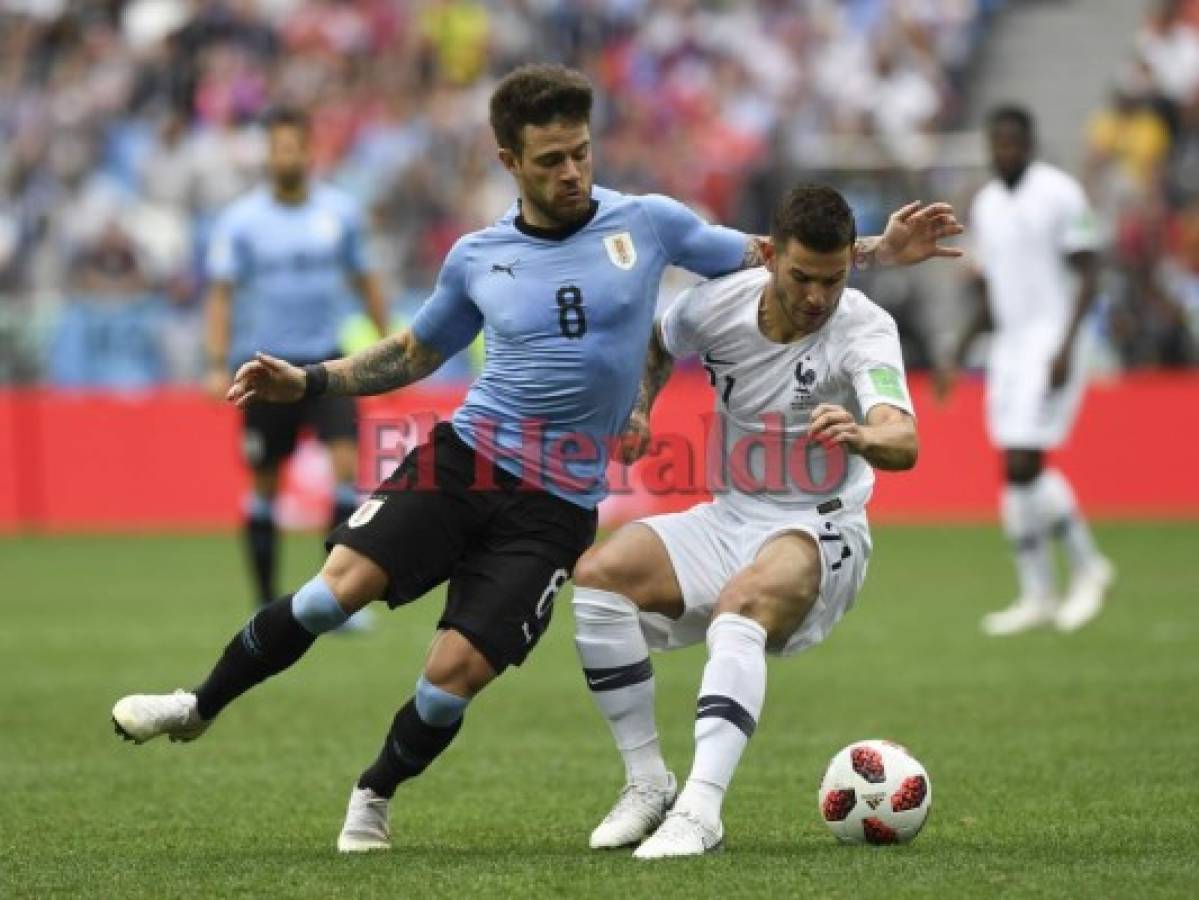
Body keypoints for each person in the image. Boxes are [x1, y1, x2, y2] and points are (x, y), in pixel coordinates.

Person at [111, 65, 960, 853]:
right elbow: (411, 352)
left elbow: (775, 260)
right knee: (334, 594)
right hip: (465, 458)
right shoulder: (478, 256)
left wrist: (880, 250)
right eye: (550, 159)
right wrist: (308, 380)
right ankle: (196, 704)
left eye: (581, 152)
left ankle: (374, 792)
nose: (572, 172)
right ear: (508, 161)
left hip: (555, 506)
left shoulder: (650, 223)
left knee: (451, 679)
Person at [571, 184, 921, 859]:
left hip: (821, 527)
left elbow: (902, 439)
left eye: (834, 278)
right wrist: (641, 407)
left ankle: (701, 811)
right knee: (599, 578)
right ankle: (648, 786)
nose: (818, 296)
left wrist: (861, 434)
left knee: (742, 606)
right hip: (730, 513)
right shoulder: (714, 304)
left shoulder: (864, 328)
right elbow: (655, 342)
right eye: (802, 277)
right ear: (768, 257)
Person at [937, 105, 1113, 636]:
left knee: (1023, 460)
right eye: (997, 143)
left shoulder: (1060, 193)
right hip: (1009, 349)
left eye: (1013, 142)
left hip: (1052, 340)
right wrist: (958, 351)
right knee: (1013, 470)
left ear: (1030, 143)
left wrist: (1065, 345)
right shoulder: (987, 204)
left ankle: (1088, 567)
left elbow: (1090, 274)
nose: (1004, 151)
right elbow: (993, 291)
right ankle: (1038, 592)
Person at [204, 106, 390, 610]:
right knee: (265, 482)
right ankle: (266, 600)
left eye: (293, 146)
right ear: (268, 154)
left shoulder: (341, 213)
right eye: (277, 147)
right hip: (264, 367)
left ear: (310, 151)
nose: (285, 156)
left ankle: (338, 600)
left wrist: (386, 344)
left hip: (327, 366)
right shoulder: (242, 221)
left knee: (347, 467)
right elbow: (221, 294)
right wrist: (217, 360)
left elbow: (367, 279)